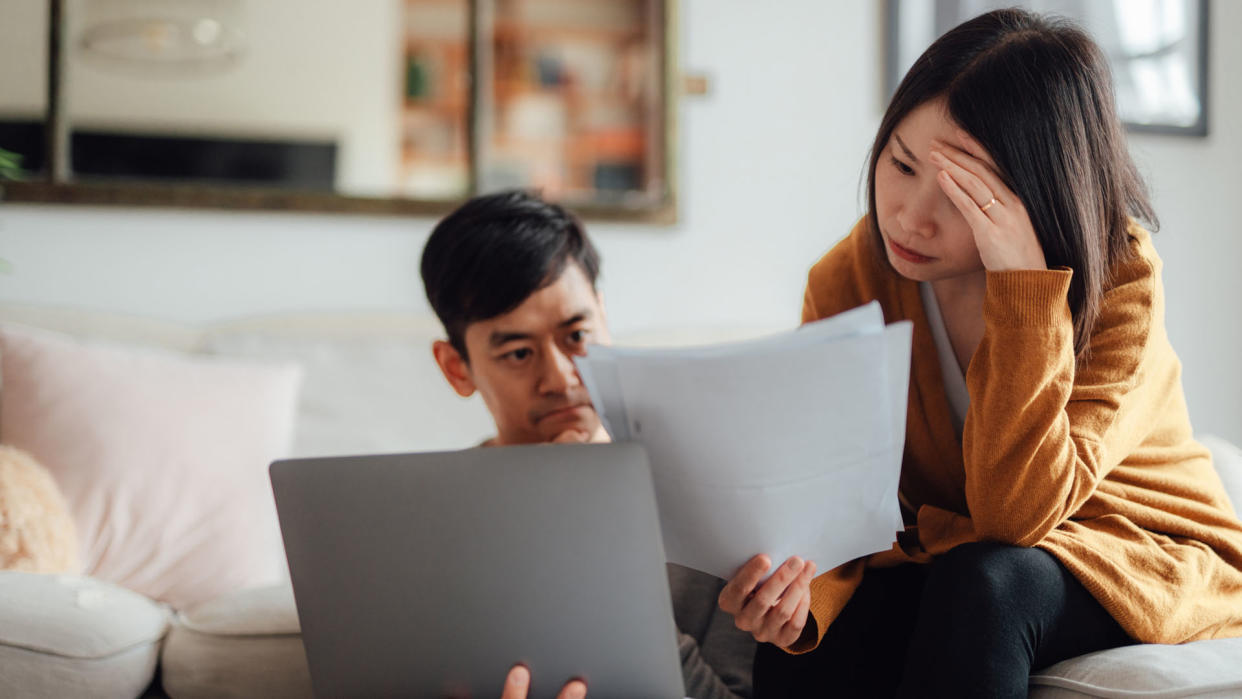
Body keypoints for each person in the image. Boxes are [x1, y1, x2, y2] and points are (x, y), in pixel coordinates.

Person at [714, 8, 1242, 698]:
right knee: (820, 633)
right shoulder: (849, 277)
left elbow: (1018, 516)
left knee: (987, 584)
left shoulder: (1119, 280)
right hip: (955, 549)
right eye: (901, 163)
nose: (909, 216)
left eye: (967, 198)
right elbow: (841, 493)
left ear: (1036, 199)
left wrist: (1024, 289)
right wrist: (798, 591)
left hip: (1134, 548)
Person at [421, 189, 756, 699]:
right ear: (455, 368)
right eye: (516, 353)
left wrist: (603, 565)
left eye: (577, 336)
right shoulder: (425, 518)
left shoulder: (713, 500)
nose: (560, 378)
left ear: (603, 316)